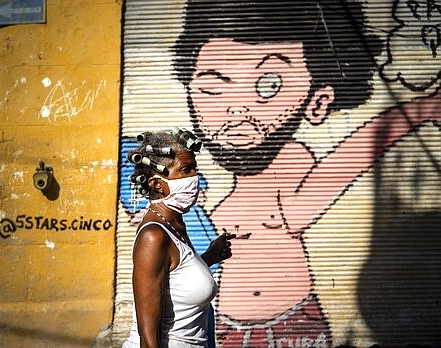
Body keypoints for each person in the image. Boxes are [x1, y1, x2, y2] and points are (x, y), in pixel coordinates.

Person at [172, 0, 441, 347]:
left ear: (317, 102)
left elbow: (340, 167)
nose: (236, 108)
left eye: (269, 84)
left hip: (288, 329)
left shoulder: (292, 166)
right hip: (224, 326)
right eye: (212, 87)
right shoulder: (208, 192)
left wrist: (417, 111)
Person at [122, 128, 235, 348]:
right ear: (156, 184)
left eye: (195, 169)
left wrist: (208, 258)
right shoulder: (153, 236)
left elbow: (176, 279)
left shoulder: (174, 225)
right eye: (186, 170)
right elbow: (148, 336)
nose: (195, 178)